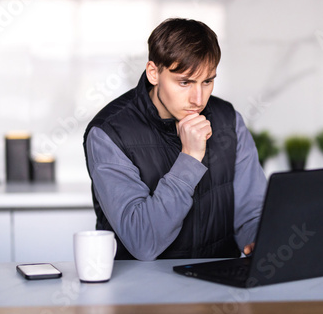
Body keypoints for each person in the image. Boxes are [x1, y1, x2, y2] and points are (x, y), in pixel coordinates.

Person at [83, 18, 267, 261]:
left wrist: (259, 239)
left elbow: (252, 213)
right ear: (153, 73)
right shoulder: (108, 133)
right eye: (184, 82)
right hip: (142, 292)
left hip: (218, 286)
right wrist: (189, 158)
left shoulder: (229, 120)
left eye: (207, 81)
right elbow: (143, 242)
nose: (198, 99)